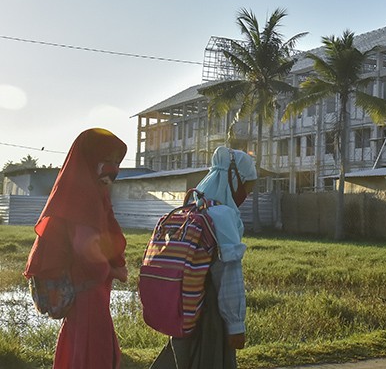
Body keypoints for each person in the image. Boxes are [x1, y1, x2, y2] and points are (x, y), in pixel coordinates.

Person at [23, 128, 129, 369]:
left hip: (88, 293)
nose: (113, 168)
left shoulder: (91, 192)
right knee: (93, 356)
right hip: (87, 293)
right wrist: (114, 271)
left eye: (116, 161)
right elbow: (87, 252)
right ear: (91, 159)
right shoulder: (83, 197)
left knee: (80, 352)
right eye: (107, 160)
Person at [151, 146, 257, 369]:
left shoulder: (192, 209)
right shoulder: (223, 216)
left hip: (185, 308)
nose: (246, 195)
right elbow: (229, 277)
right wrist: (236, 325)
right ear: (234, 181)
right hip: (211, 313)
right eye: (247, 186)